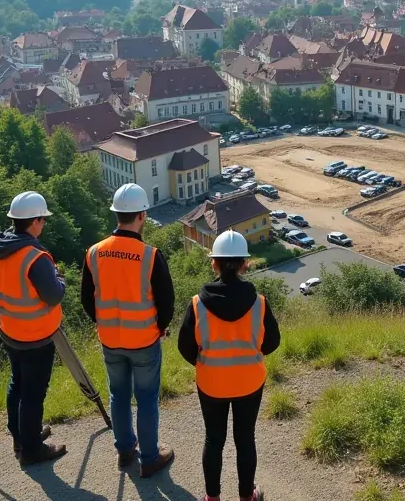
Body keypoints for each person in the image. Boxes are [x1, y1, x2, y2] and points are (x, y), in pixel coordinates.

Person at [177, 230, 281, 501]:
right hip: (249, 382)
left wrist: (204, 363)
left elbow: (184, 347)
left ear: (215, 263)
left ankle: (212, 498)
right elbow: (272, 342)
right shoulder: (260, 303)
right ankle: (247, 496)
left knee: (214, 440)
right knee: (245, 439)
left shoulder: (197, 304)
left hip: (211, 384)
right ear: (245, 264)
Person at [82, 183, 176, 478]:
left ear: (116, 215)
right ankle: (149, 458)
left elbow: (87, 299)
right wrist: (159, 328)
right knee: (146, 398)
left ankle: (124, 451)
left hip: (110, 340)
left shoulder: (94, 253)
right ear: (143, 215)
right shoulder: (150, 255)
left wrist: (104, 323)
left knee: (118, 395)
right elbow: (167, 301)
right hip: (145, 341)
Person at [0, 191, 67, 465]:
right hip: (36, 336)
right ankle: (32, 451)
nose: (43, 224)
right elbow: (54, 295)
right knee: (33, 394)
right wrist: (61, 280)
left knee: (17, 385)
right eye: (42, 220)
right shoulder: (35, 257)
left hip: (10, 331)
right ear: (34, 221)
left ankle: (21, 437)